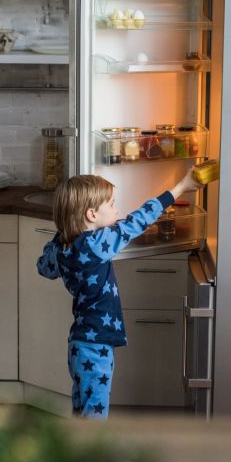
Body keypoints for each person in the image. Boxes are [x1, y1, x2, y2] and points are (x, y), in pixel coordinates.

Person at [36, 168, 201, 419]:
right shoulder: (95, 244)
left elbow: (43, 267)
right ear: (91, 214)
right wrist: (181, 187)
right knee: (94, 416)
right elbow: (138, 220)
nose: (116, 210)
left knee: (83, 410)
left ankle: (77, 444)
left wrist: (63, 232)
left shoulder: (62, 249)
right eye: (111, 204)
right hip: (96, 346)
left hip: (80, 343)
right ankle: (92, 446)